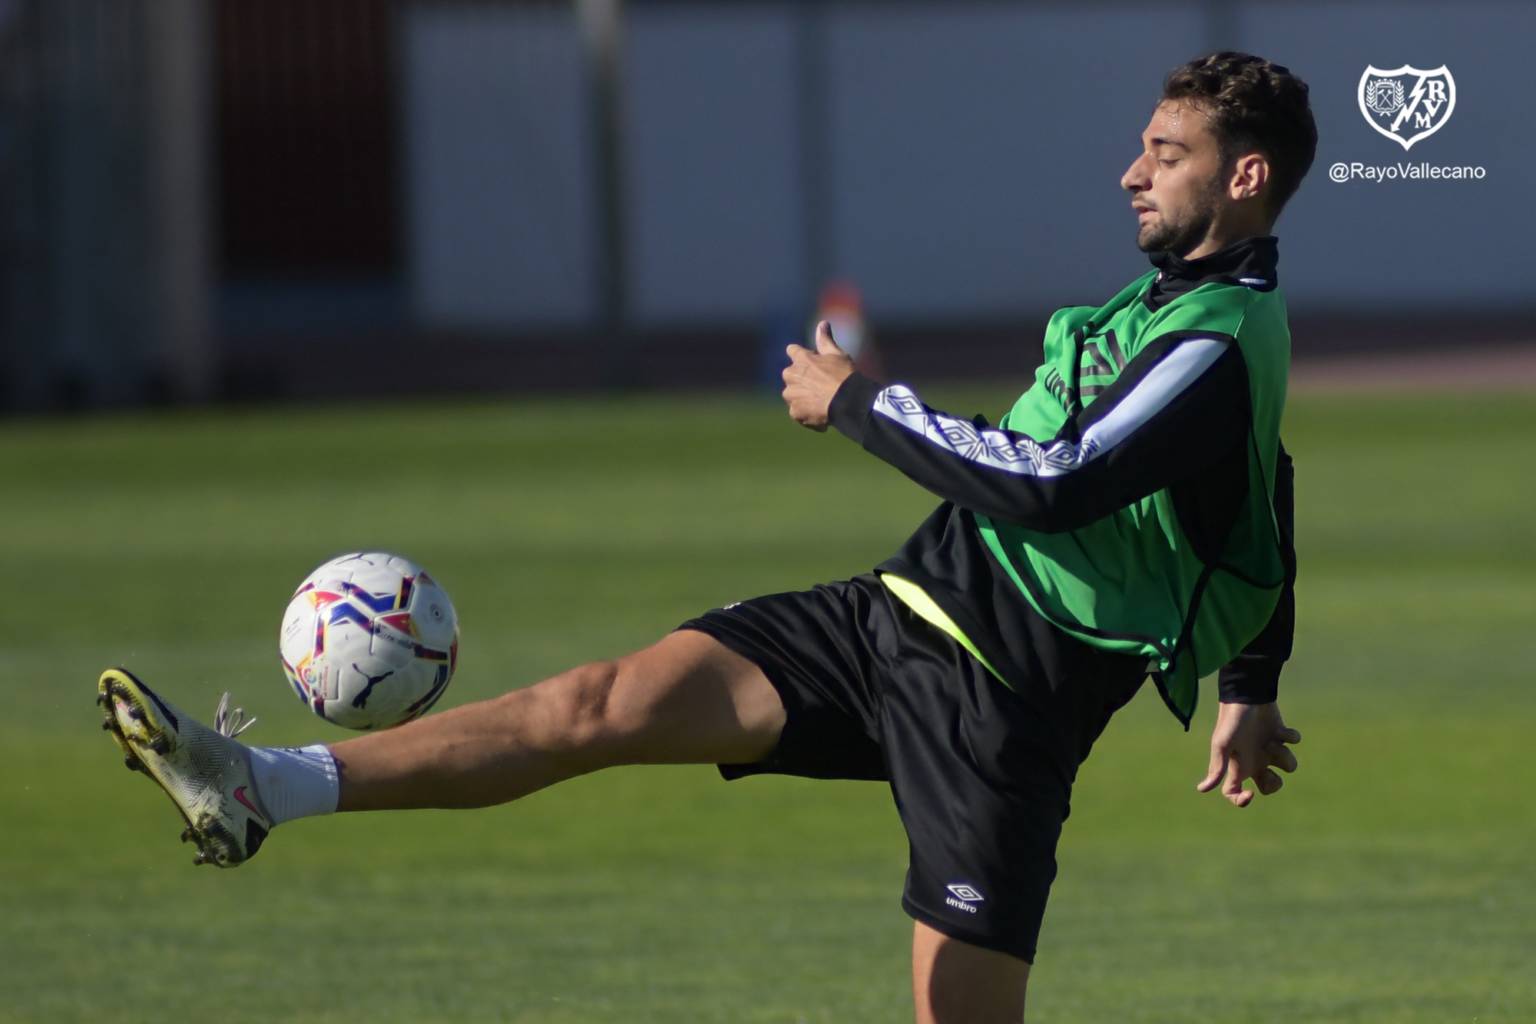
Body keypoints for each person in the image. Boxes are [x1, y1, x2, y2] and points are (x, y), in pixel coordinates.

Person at [97, 51, 1315, 1024]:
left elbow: (1059, 484)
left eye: (1167, 153)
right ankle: (262, 788)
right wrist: (1250, 684)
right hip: (891, 614)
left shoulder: (1214, 342)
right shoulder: (1160, 309)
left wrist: (856, 401)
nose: (1130, 173)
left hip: (1003, 708)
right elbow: (1269, 492)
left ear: (1246, 177)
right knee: (595, 704)